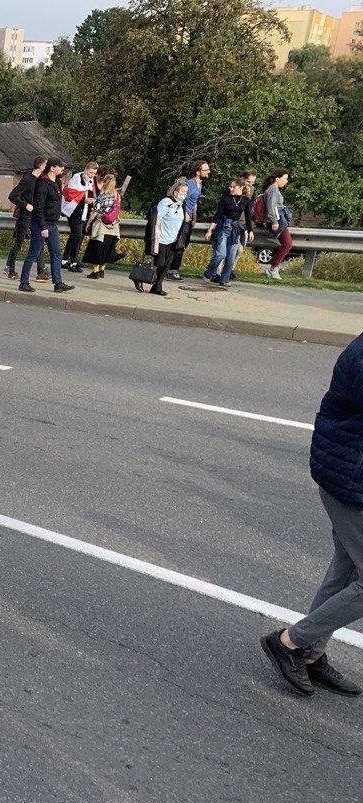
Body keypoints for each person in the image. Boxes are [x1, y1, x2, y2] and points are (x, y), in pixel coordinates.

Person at [262, 335, 363, 697]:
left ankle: (309, 653)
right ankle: (288, 642)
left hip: (350, 475)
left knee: (346, 571)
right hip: (352, 481)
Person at [18, 158, 74, 295]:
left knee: (56, 253)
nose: (63, 169)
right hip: (40, 224)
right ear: (53, 168)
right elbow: (39, 207)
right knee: (33, 253)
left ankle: (58, 283)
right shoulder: (42, 184)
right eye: (60, 167)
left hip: (53, 224)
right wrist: (43, 227)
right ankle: (24, 283)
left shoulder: (57, 182)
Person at [138, 177, 189, 297]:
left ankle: (157, 287)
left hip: (173, 240)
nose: (185, 194)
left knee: (166, 265)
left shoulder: (182, 205)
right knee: (159, 264)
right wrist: (154, 237)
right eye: (183, 191)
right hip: (161, 239)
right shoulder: (166, 202)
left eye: (186, 192)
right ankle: (141, 278)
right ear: (175, 192)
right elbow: (156, 218)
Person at [203, 178, 255, 289]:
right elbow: (217, 215)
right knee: (221, 254)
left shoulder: (246, 200)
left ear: (240, 187)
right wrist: (210, 230)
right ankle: (209, 272)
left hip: (235, 229)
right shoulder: (226, 198)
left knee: (231, 256)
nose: (230, 189)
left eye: (233, 187)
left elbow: (248, 217)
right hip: (223, 227)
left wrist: (250, 231)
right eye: (230, 186)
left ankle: (224, 279)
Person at [5, 156, 46, 281]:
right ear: (40, 166)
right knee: (18, 243)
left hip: (36, 217)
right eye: (45, 165)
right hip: (25, 216)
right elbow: (13, 196)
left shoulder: (42, 180)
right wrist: (25, 205)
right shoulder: (27, 179)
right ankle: (11, 269)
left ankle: (41, 272)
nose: (46, 167)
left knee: (39, 243)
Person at [169, 160, 209, 281]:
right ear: (198, 172)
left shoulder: (199, 185)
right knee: (180, 244)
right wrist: (185, 213)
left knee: (183, 243)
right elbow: (182, 198)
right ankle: (172, 270)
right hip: (182, 218)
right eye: (206, 170)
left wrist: (194, 218)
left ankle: (170, 268)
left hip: (189, 219)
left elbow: (194, 203)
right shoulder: (190, 184)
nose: (208, 172)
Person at [60, 161, 98, 272]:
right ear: (85, 170)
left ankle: (64, 260)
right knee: (77, 236)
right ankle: (73, 262)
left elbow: (88, 193)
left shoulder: (90, 181)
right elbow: (70, 195)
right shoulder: (76, 179)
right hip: (74, 212)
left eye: (94, 173)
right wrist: (84, 200)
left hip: (83, 212)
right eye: (90, 172)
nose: (92, 175)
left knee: (74, 236)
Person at [82, 174, 121, 279]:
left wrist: (88, 223)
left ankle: (95, 272)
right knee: (106, 249)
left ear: (105, 182)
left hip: (101, 226)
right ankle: (102, 270)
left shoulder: (102, 195)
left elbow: (95, 211)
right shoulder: (117, 195)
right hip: (113, 226)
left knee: (96, 249)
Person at [261, 169, 293, 281]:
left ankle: (273, 268)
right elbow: (271, 207)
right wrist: (274, 222)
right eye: (285, 178)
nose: (286, 181)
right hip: (277, 221)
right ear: (277, 179)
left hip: (279, 220)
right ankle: (273, 269)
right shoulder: (273, 190)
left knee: (286, 244)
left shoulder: (273, 189)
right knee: (287, 244)